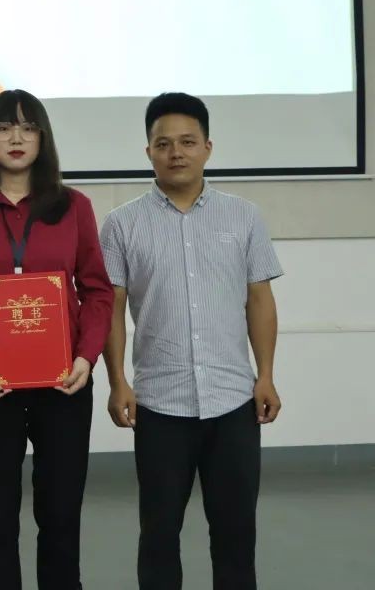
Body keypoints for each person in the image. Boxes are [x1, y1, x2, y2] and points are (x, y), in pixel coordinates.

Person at [0, 89, 114, 590]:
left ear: (43, 138)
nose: (17, 138)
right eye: (4, 127)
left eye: (29, 127)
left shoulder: (75, 207)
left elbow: (98, 291)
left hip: (64, 385)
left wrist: (86, 357)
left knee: (61, 516)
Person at [99, 92, 283, 590]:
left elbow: (259, 300)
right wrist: (118, 382)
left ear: (207, 147)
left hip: (233, 400)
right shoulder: (121, 224)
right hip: (160, 404)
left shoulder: (243, 217)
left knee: (236, 534)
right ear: (148, 152)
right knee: (159, 534)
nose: (175, 152)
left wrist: (265, 376)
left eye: (187, 141)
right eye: (163, 144)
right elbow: (110, 310)